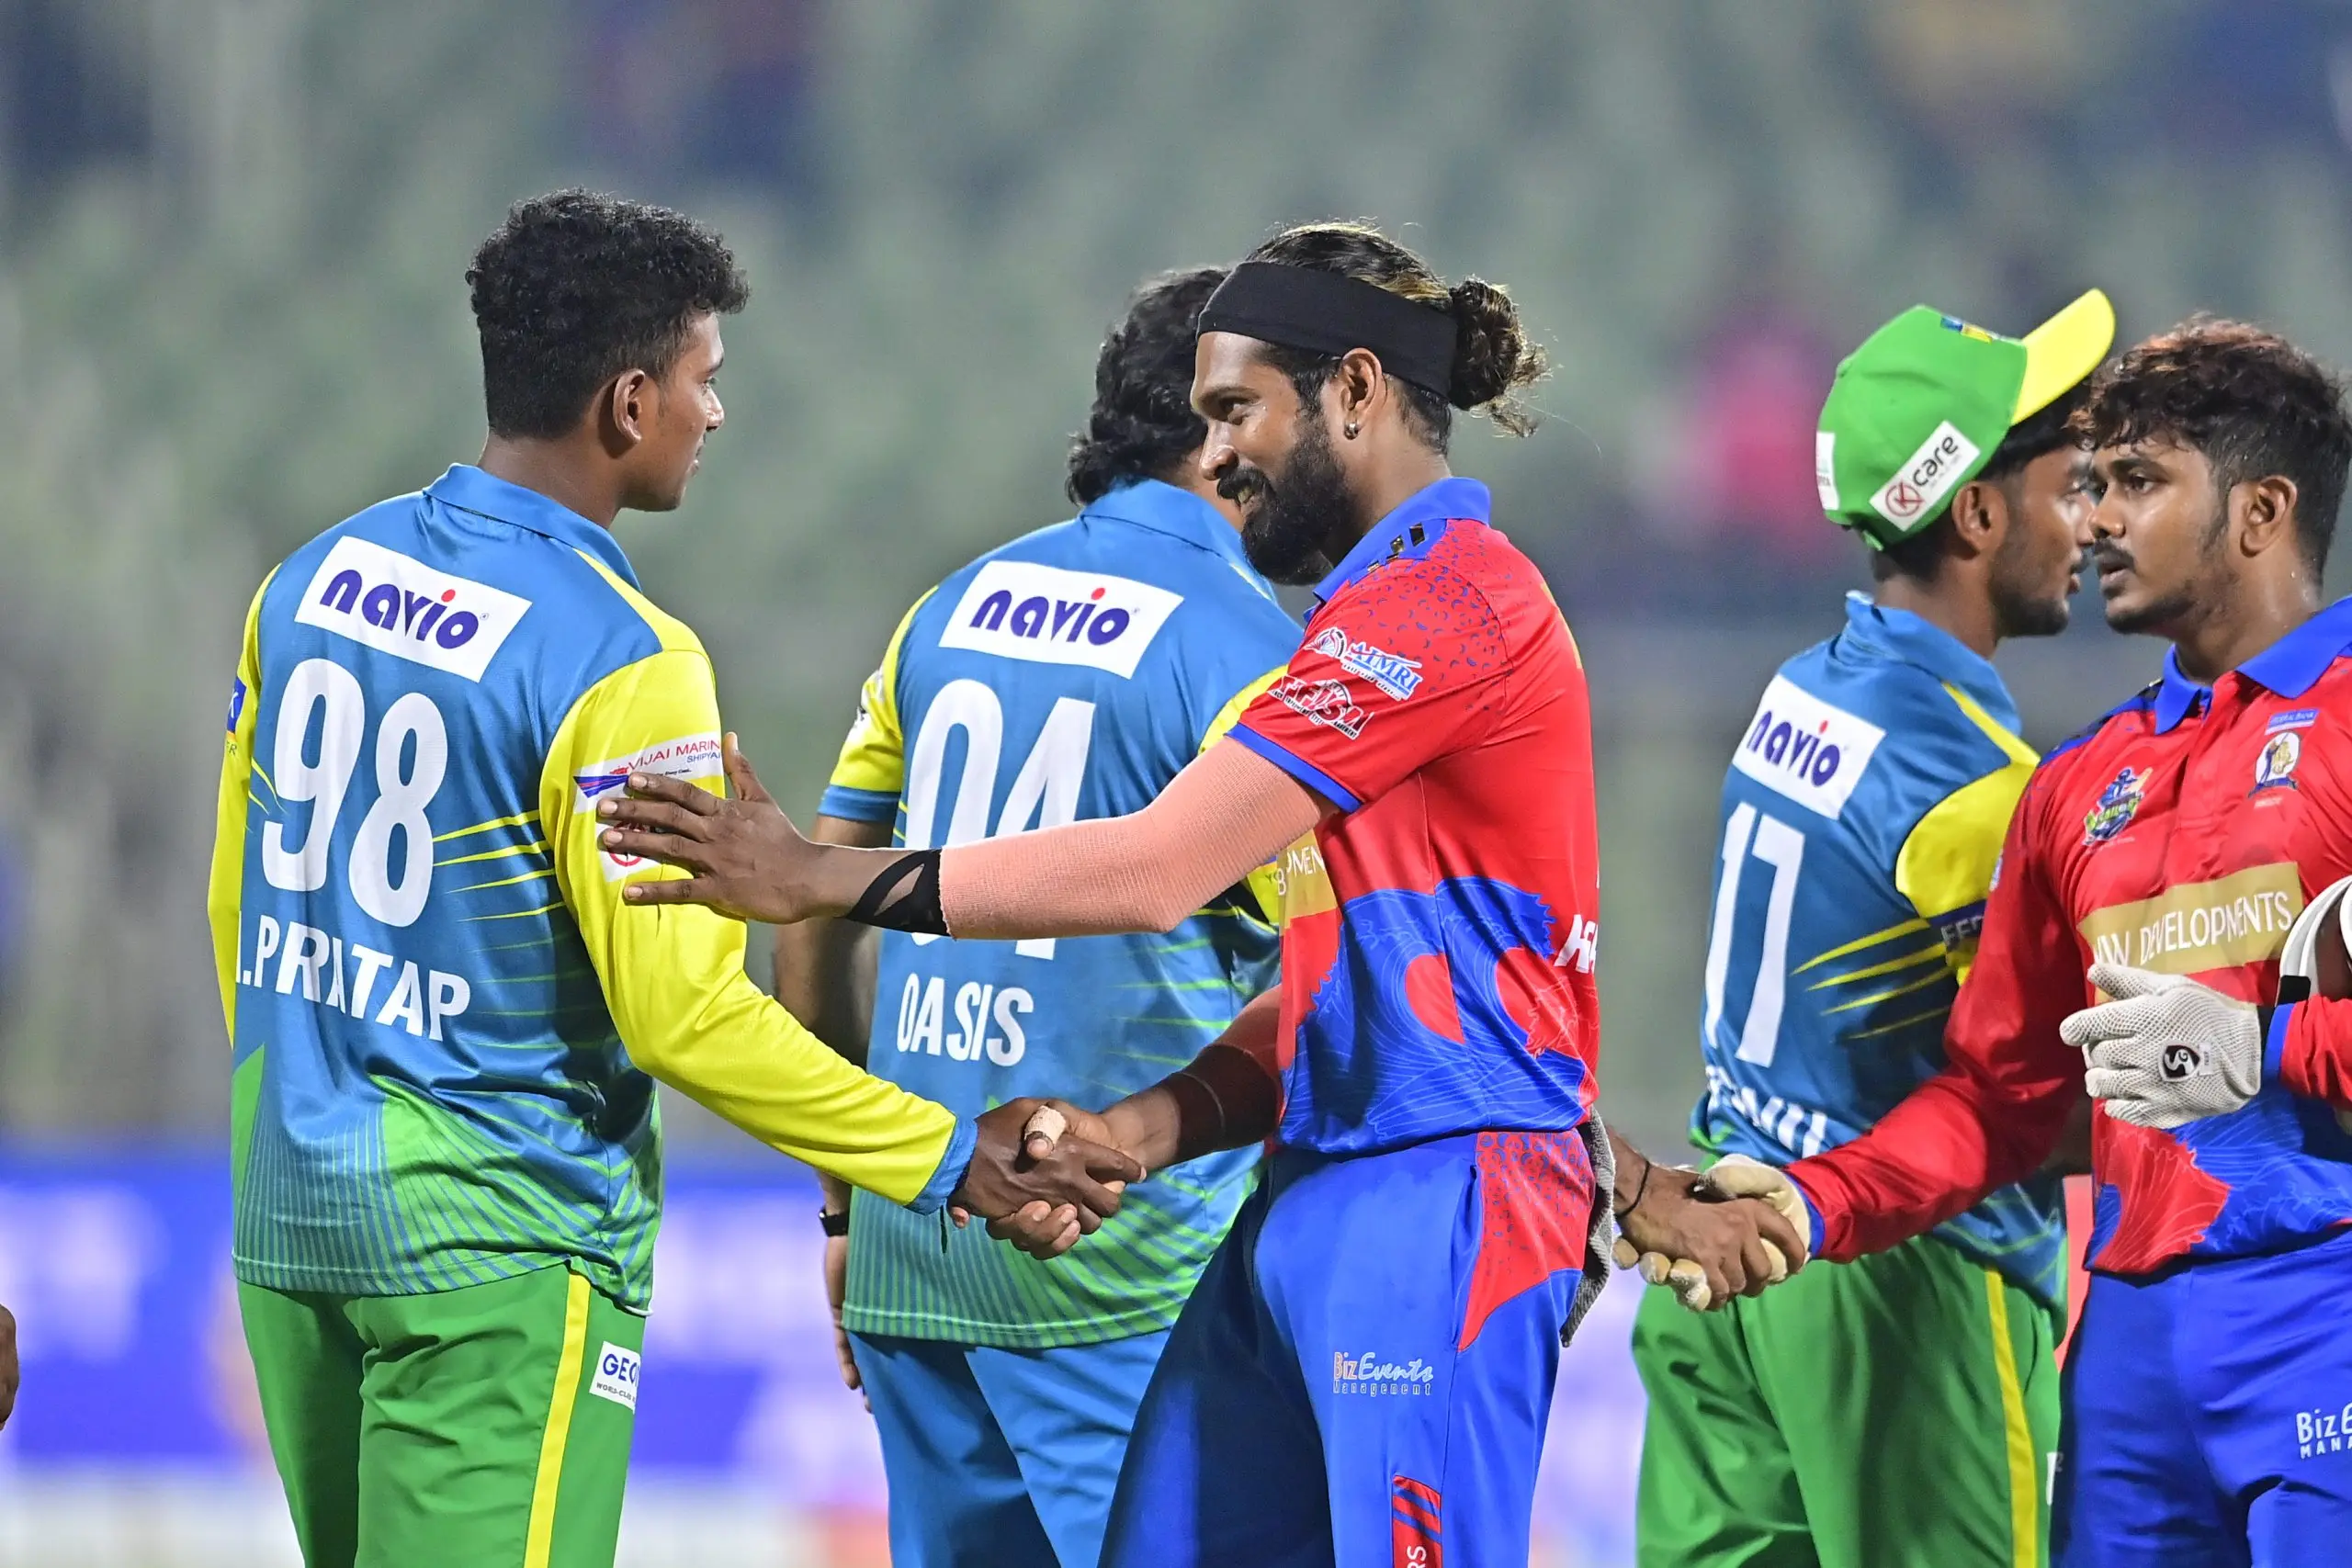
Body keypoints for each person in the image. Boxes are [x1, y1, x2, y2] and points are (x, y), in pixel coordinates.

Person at [595, 220, 1806, 1568]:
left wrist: (816, 878)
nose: (1220, 453)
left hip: (1429, 1213)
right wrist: (1142, 1127)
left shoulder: (1448, 607)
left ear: (1355, 390)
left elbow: (1160, 864)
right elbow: (1349, 980)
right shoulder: (1336, 629)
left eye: (1237, 411)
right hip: (1296, 1193)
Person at [204, 189, 1135, 1568]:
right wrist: (945, 1156)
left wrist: (312, 1105)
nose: (716, 413)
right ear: (629, 403)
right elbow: (683, 1017)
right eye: (705, 380)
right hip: (495, 1254)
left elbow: (238, 908)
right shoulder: (625, 659)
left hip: (290, 1214)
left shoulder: (306, 582)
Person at [1698, 320, 2352, 1568]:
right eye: (2094, 482)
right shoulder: (2075, 786)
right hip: (2129, 1357)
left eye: (2140, 482)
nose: (2096, 518)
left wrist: (2260, 1048)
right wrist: (1816, 1198)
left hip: (2325, 1308)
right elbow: (2003, 1099)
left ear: (2262, 511)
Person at [772, 266, 1299, 1568]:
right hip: (1116, 1270)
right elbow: (1332, 970)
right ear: (1221, 428)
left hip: (915, 1237)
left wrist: (847, 1207)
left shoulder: (945, 609)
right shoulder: (1252, 653)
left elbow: (814, 914)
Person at [1628, 293, 2112, 1568]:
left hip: (1729, 1246)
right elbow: (2037, 1101)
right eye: (2067, 483)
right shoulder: (1973, 788)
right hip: (1907, 1293)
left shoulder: (1802, 690)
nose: (2090, 521)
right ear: (1979, 514)